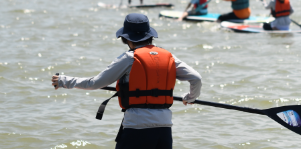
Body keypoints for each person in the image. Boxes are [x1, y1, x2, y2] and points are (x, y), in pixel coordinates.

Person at [51, 13, 202, 149]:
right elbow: (196, 78)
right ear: (150, 34)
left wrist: (64, 81)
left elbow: (95, 83)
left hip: (136, 128)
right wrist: (190, 98)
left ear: (126, 38)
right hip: (164, 128)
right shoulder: (169, 56)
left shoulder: (130, 58)